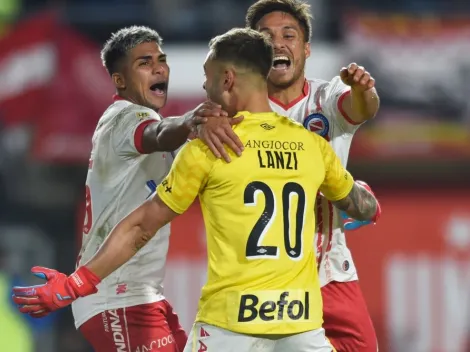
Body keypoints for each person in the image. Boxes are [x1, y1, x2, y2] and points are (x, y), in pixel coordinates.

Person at [12, 27, 381, 352]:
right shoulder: (312, 146)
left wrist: (76, 283)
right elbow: (361, 205)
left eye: (208, 77)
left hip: (230, 323)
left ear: (228, 79)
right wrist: (363, 201)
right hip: (300, 324)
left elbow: (142, 225)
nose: (203, 86)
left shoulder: (211, 146)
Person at [12, 25, 244, 352]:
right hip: (114, 295)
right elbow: (161, 132)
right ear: (119, 81)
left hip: (140, 295)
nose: (159, 68)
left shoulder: (140, 123)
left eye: (161, 60)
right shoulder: (125, 118)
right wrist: (191, 119)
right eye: (144, 63)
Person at [245, 1, 380, 351]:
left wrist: (364, 90)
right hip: (266, 277)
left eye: (288, 35)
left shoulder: (328, 96)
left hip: (330, 269)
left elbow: (361, 107)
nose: (277, 43)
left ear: (305, 49)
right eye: (266, 36)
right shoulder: (239, 112)